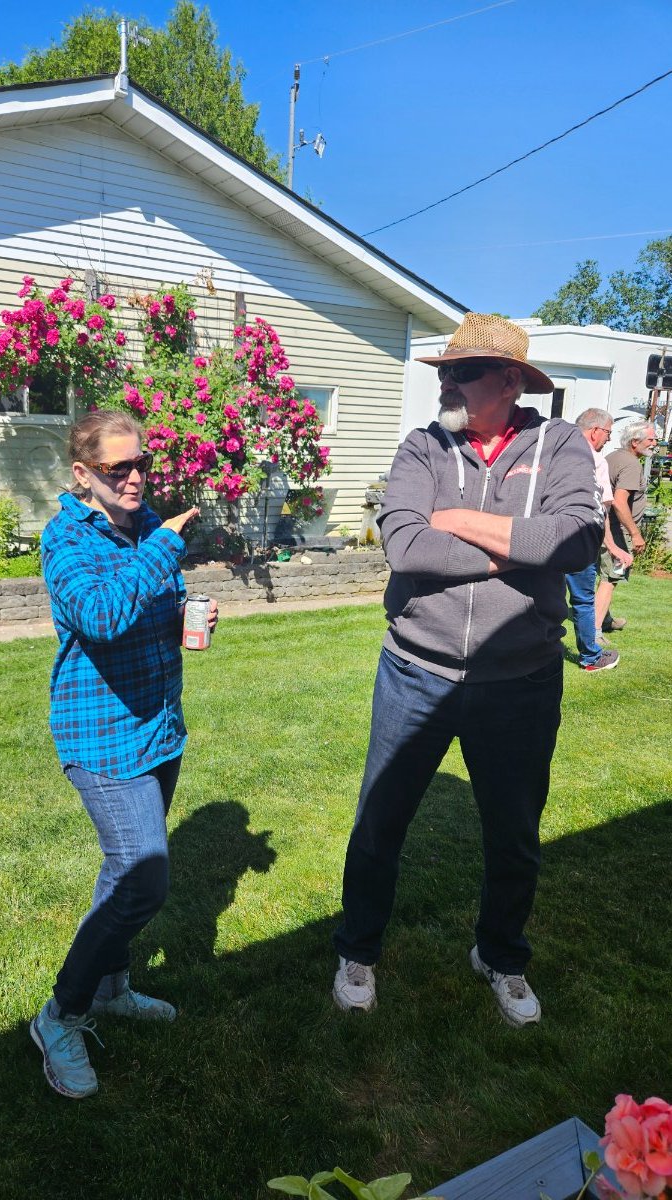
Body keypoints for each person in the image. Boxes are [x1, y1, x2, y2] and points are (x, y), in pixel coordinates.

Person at [333, 313, 603, 1027]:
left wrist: (453, 520)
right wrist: (518, 549)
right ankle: (357, 950)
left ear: (511, 381)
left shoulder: (560, 444)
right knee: (379, 822)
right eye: (445, 371)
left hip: (521, 679)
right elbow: (405, 545)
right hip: (414, 670)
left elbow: (576, 539)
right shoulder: (423, 446)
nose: (447, 383)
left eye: (464, 372)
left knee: (514, 834)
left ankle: (501, 956)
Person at [32, 410, 217, 1099]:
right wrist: (165, 547)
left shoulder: (144, 528)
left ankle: (110, 987)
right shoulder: (65, 538)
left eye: (142, 464)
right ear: (84, 475)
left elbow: (147, 610)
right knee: (144, 880)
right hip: (101, 736)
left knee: (121, 873)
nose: (136, 477)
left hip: (158, 728)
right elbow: (102, 615)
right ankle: (60, 1014)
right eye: (119, 468)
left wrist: (188, 617)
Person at [565, 409, 627, 672]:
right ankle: (591, 658)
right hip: (580, 540)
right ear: (595, 431)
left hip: (547, 537)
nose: (609, 439)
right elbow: (602, 510)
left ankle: (533, 652)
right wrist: (612, 546)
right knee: (582, 600)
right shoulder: (596, 460)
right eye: (608, 433)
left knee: (543, 595)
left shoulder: (554, 453)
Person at [594, 419, 658, 636]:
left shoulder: (613, 457)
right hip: (618, 532)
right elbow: (619, 502)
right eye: (650, 439)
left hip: (603, 527)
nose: (654, 443)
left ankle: (605, 620)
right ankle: (595, 632)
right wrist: (635, 534)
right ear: (635, 442)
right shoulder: (631, 464)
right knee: (610, 579)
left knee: (605, 576)